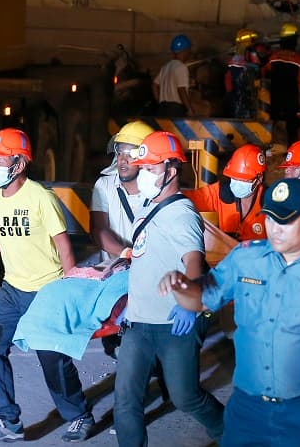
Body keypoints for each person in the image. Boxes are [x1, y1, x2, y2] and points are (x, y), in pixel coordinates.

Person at [158, 178, 300, 447]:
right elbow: (201, 301)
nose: (275, 229)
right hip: (247, 410)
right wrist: (181, 288)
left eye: (285, 220)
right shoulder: (245, 259)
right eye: (270, 219)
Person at [0, 128, 95, 442]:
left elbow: (62, 243)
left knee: (52, 358)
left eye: (1, 158)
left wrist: (69, 284)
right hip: (12, 290)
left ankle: (79, 415)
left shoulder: (41, 197)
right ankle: (6, 419)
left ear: (20, 164)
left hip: (47, 290)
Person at [114, 131, 225, 446]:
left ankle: (229, 433)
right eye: (144, 166)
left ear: (171, 172)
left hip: (172, 325)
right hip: (138, 323)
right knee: (125, 400)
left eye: (151, 168)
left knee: (185, 396)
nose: (144, 173)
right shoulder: (147, 207)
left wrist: (189, 304)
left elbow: (194, 262)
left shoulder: (182, 213)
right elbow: (145, 257)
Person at [91, 121, 154, 260]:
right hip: (115, 269)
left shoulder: (156, 189)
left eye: (131, 154)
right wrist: (126, 253)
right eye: (119, 152)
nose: (122, 160)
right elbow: (99, 229)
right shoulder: (104, 185)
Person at [185, 144, 268, 241]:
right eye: (234, 177)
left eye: (244, 179)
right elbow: (185, 199)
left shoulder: (270, 202)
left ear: (259, 179)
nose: (237, 183)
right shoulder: (220, 193)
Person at [264, 22, 300, 143]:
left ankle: (269, 152)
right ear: (294, 39)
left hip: (275, 97)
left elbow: (264, 73)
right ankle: (291, 152)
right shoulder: (298, 59)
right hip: (291, 99)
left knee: (272, 125)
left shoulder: (273, 57)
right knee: (292, 129)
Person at [153, 34, 193, 117]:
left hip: (162, 109)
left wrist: (159, 101)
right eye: (189, 50)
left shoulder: (165, 66)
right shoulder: (181, 67)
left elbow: (154, 85)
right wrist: (189, 108)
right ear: (185, 51)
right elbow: (181, 89)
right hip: (175, 110)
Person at [225, 29, 260, 119]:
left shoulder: (234, 58)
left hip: (235, 96)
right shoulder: (251, 52)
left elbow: (228, 78)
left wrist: (229, 93)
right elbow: (257, 70)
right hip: (246, 96)